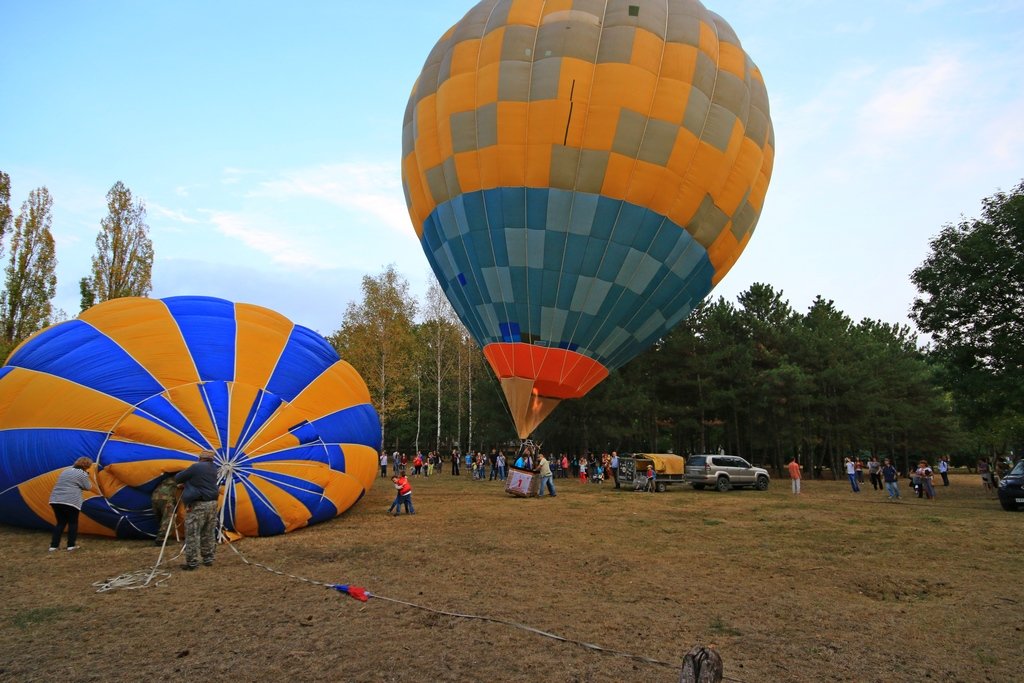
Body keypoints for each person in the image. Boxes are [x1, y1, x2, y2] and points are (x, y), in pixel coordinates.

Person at [175, 450, 220, 570]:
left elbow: (178, 477)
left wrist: (186, 483)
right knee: (208, 532)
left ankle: (192, 562)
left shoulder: (196, 467)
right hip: (212, 503)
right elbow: (201, 482)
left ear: (201, 458)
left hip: (198, 505)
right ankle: (208, 558)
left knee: (193, 533)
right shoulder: (214, 468)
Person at [48, 457, 93, 552]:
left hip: (55, 499)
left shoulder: (65, 471)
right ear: (87, 465)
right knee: (73, 523)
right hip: (71, 501)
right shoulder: (83, 474)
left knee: (60, 523)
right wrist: (87, 476)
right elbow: (88, 487)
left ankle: (53, 546)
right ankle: (71, 545)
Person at [151, 473, 180, 545]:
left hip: (154, 498)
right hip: (166, 499)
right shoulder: (177, 479)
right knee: (168, 519)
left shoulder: (164, 480)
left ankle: (160, 535)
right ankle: (161, 539)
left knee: (161, 519)